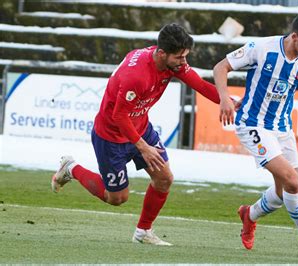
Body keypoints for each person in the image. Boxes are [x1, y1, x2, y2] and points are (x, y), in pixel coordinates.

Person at [51, 23, 222, 246]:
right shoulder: (137, 76)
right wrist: (143, 146)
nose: (184, 62)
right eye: (180, 57)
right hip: (111, 136)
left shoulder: (171, 63)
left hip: (140, 128)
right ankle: (71, 169)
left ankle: (143, 232)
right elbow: (119, 116)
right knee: (117, 198)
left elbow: (200, 84)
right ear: (162, 53)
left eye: (185, 56)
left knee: (164, 179)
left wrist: (231, 102)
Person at [213, 13, 298, 255]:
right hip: (253, 124)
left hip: (282, 128)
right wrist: (225, 98)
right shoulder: (262, 48)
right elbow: (221, 67)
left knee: (282, 192)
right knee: (293, 182)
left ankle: (249, 215)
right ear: (295, 37)